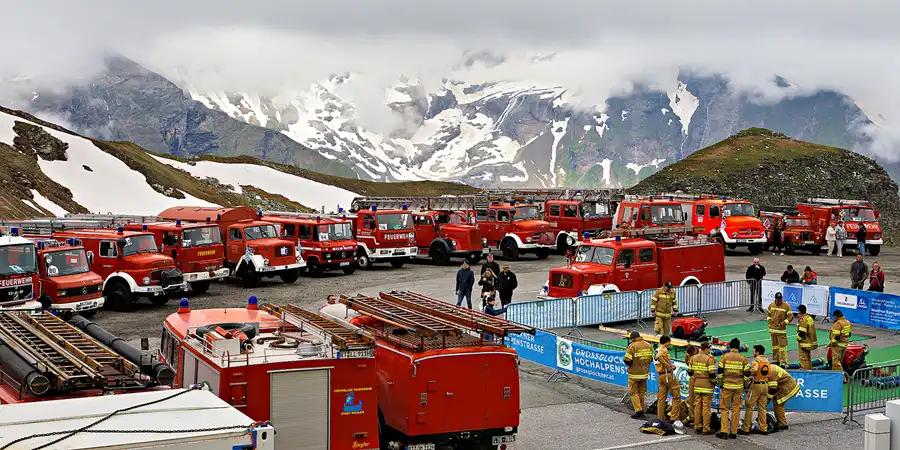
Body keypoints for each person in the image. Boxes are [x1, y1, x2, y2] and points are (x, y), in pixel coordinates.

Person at [716, 338, 750, 440]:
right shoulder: (743, 358)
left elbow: (720, 372)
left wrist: (721, 384)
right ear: (738, 347)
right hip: (738, 387)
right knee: (736, 410)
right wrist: (745, 385)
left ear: (730, 346)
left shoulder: (724, 357)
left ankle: (724, 431)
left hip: (726, 386)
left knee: (724, 409)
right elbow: (747, 374)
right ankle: (733, 432)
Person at [740, 345, 771, 435]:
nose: (752, 352)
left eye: (753, 351)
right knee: (762, 408)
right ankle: (763, 428)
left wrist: (747, 372)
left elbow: (754, 370)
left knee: (749, 405)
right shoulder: (766, 360)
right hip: (765, 385)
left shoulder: (756, 360)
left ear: (757, 352)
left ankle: (746, 428)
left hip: (757, 385)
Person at [688, 341, 717, 434]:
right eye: (709, 349)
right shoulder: (709, 359)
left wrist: (695, 377)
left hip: (697, 385)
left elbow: (689, 371)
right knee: (706, 407)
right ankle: (706, 428)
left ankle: (697, 426)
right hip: (707, 386)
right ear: (706, 349)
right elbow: (712, 373)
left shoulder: (693, 358)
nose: (709, 351)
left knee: (697, 406)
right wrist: (714, 382)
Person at [624, 331, 654, 419]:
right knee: (641, 392)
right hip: (644, 373)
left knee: (633, 392)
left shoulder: (632, 346)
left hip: (634, 374)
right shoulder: (649, 345)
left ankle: (638, 411)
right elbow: (651, 359)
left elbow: (627, 360)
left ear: (633, 338)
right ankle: (642, 409)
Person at [654, 336, 682, 420]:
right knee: (676, 397)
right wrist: (668, 366)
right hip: (667, 375)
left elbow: (658, 358)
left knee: (661, 398)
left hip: (660, 375)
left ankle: (660, 418)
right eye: (669, 342)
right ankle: (674, 417)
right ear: (667, 342)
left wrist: (668, 365)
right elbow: (659, 357)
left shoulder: (657, 350)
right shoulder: (663, 349)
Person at [768, 362, 800, 431]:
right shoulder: (769, 367)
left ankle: (782, 424)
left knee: (778, 403)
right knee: (777, 403)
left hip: (788, 389)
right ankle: (781, 422)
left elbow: (772, 389)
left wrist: (767, 400)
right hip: (785, 387)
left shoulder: (771, 372)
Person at [767, 292, 793, 365]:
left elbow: (790, 317)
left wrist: (783, 323)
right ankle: (776, 360)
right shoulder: (771, 305)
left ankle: (784, 363)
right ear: (775, 298)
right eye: (777, 299)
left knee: (782, 348)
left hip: (781, 331)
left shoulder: (786, 306)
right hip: (773, 331)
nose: (779, 301)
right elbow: (768, 314)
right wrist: (769, 321)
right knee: (774, 347)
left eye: (780, 299)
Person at [796, 304, 818, 370]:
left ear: (800, 311)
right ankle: (809, 371)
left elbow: (802, 333)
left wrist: (798, 339)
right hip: (810, 342)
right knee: (808, 358)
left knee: (803, 359)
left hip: (804, 343)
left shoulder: (803, 319)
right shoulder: (809, 318)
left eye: (798, 310)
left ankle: (805, 372)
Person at [830, 309, 852, 373]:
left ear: (836, 316)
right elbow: (849, 334)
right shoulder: (847, 322)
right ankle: (835, 374)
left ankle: (841, 376)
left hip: (837, 345)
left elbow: (837, 336)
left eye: (834, 316)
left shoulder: (838, 323)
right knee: (839, 361)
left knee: (836, 362)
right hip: (844, 344)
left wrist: (832, 343)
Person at [683, 344, 699, 424]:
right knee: (691, 400)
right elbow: (688, 365)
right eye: (690, 355)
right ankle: (692, 417)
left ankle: (698, 420)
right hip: (693, 378)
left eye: (692, 355)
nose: (691, 356)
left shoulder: (702, 355)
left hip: (700, 380)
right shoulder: (687, 355)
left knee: (699, 401)